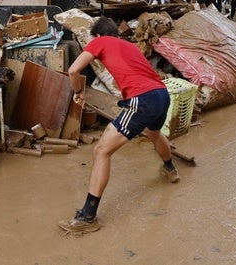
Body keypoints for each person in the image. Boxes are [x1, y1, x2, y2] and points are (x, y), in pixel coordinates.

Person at [58, 17, 179, 234]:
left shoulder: (99, 41)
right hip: (161, 95)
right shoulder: (130, 46)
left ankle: (88, 217)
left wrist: (78, 92)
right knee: (154, 133)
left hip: (141, 99)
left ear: (97, 36)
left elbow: (73, 71)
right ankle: (170, 169)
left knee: (101, 151)